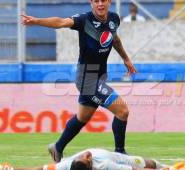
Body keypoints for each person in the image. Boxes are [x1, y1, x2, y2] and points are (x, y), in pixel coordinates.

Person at [21, 0, 137, 163]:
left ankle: (58, 147)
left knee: (82, 117)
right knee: (122, 111)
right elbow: (61, 22)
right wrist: (37, 21)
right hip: (87, 78)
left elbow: (114, 38)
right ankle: (120, 154)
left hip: (100, 75)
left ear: (109, 2)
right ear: (91, 3)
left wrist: (126, 58)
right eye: (96, 1)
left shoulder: (114, 19)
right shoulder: (84, 20)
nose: (100, 4)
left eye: (103, 0)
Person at [0, 148, 185, 170]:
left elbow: (40, 168)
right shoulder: (104, 166)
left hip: (114, 157)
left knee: (151, 163)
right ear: (91, 165)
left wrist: (9, 169)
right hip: (120, 161)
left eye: (84, 155)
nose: (86, 154)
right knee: (148, 165)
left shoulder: (67, 165)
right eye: (88, 158)